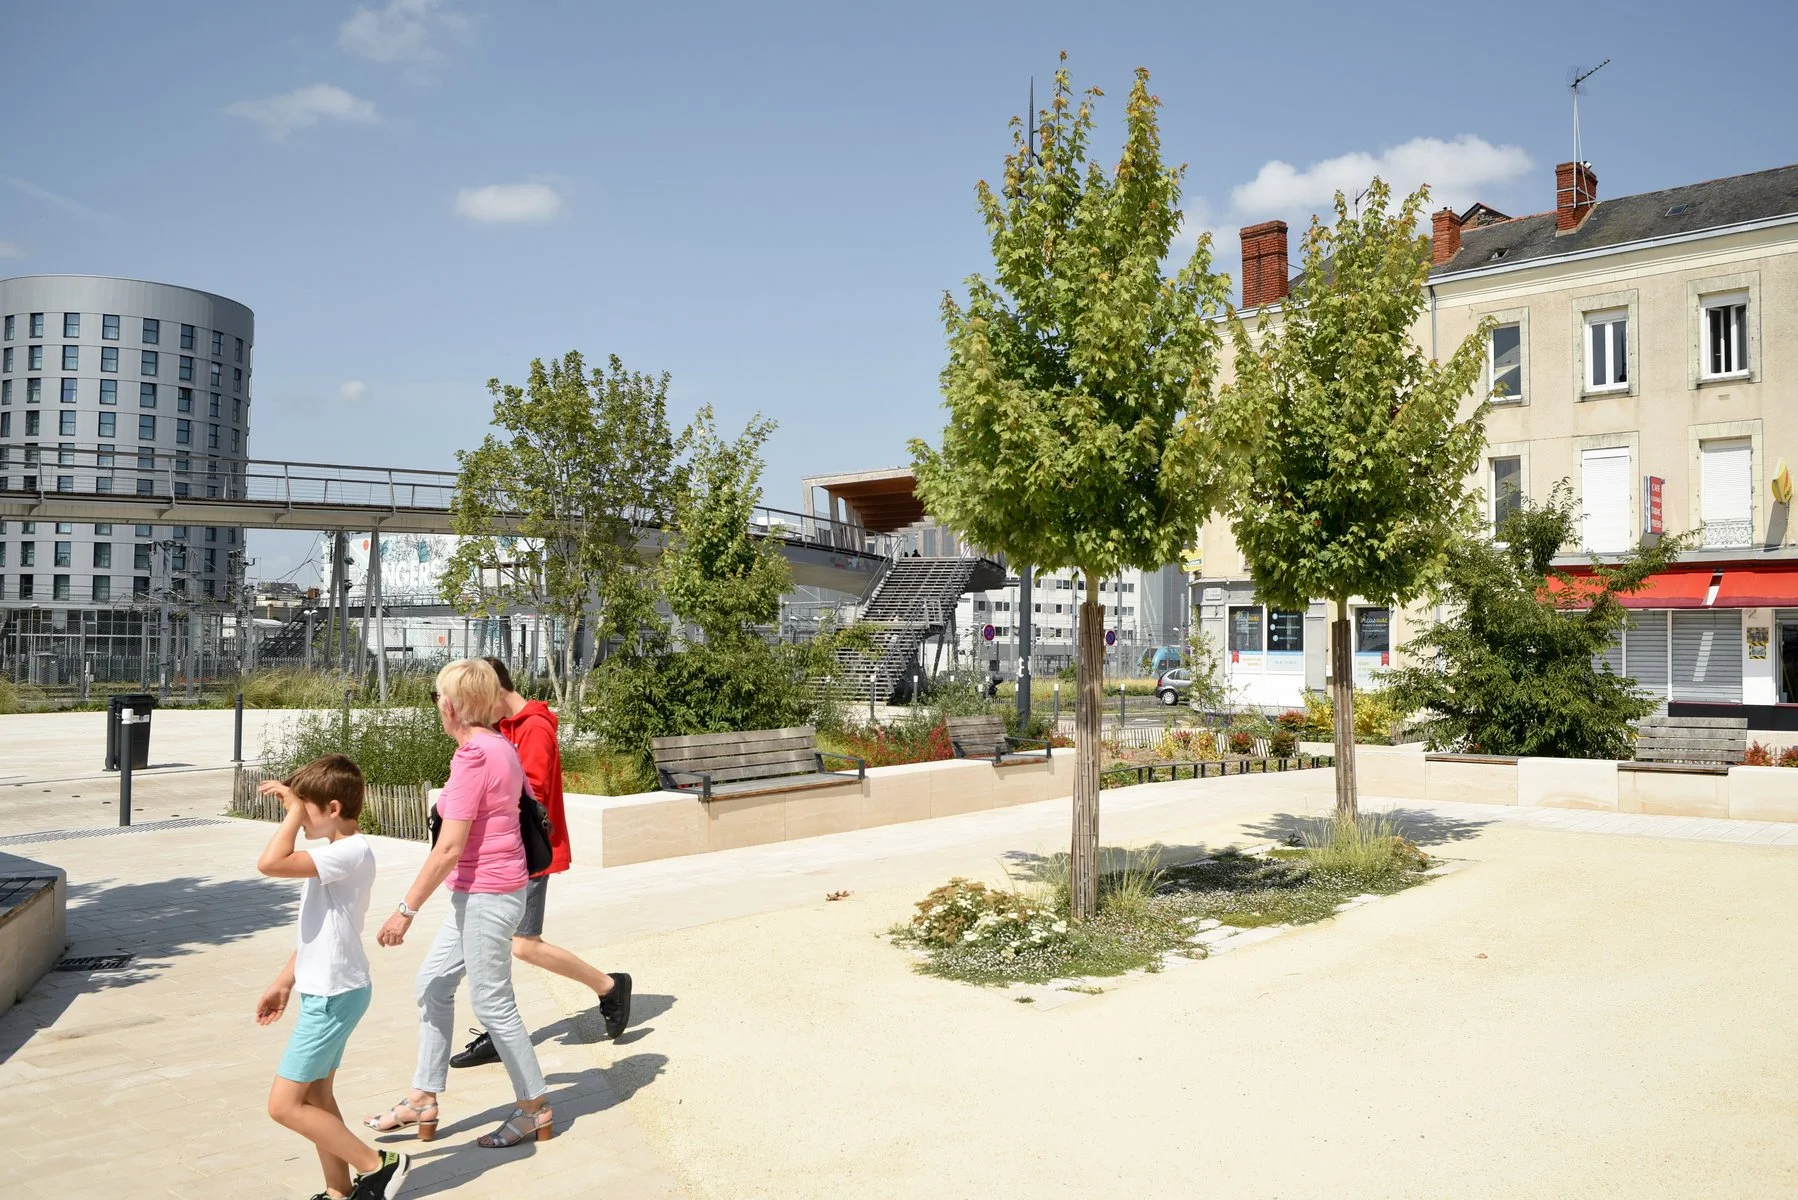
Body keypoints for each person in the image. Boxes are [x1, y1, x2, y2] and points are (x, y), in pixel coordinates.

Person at [365, 658, 554, 1149]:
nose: (437, 706)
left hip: (489, 892)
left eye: (436, 697)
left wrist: (404, 911)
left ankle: (535, 1107)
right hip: (483, 890)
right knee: (433, 984)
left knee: (493, 1002)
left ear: (449, 705)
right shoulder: (495, 745)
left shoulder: (474, 757)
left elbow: (448, 847)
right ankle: (423, 1097)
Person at [448, 658, 631, 1070]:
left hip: (526, 852)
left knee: (523, 945)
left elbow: (524, 793)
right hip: (505, 854)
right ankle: (498, 1031)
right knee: (494, 944)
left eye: (476, 701)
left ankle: (608, 986)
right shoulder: (506, 729)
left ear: (495, 693)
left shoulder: (533, 728)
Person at [255, 755, 410, 1200]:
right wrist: (286, 979)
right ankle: (339, 1189)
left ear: (334, 809)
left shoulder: (349, 852)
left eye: (308, 810)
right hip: (329, 988)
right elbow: (319, 929)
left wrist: (290, 812)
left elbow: (269, 863)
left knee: (284, 1106)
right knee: (319, 1098)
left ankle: (378, 1165)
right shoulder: (336, 854)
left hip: (333, 996)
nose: (301, 819)